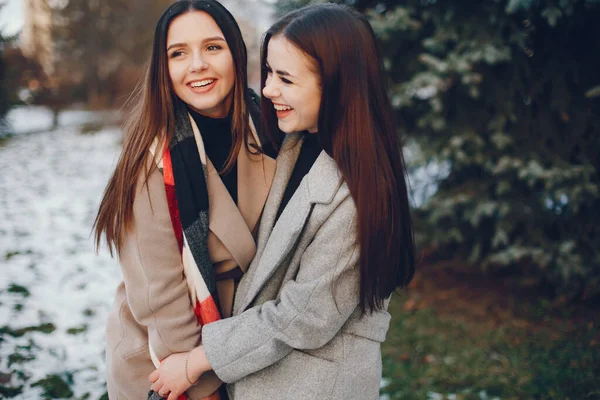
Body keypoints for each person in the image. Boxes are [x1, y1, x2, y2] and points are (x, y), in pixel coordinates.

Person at [149, 3, 415, 400]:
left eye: (286, 79)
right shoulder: (296, 144)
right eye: (269, 72)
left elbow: (302, 316)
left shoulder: (360, 190)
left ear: (337, 85)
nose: (269, 89)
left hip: (315, 385)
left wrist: (195, 363)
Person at [93, 0, 275, 399]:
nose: (197, 65)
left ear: (236, 54)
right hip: (169, 362)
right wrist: (208, 377)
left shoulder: (270, 128)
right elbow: (163, 303)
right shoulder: (151, 161)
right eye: (178, 53)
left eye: (212, 47)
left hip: (245, 342)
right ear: (164, 68)